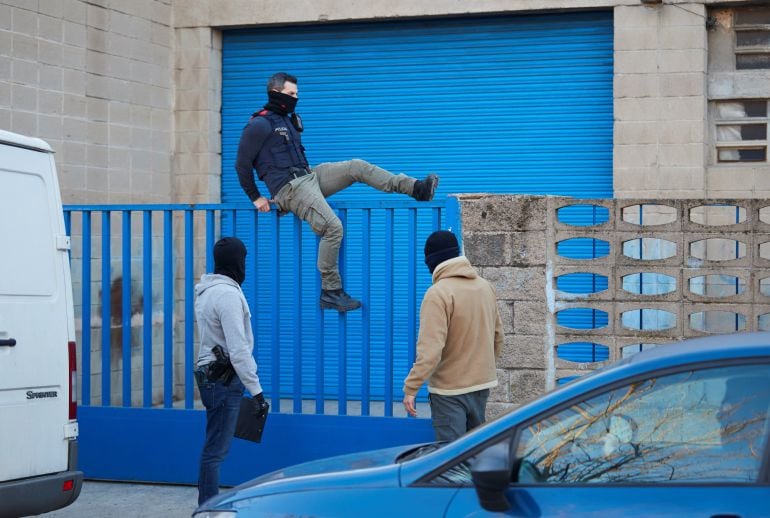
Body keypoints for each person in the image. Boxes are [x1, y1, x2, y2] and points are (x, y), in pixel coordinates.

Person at [235, 72, 439, 312]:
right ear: (275, 93)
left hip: (308, 176)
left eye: (297, 94)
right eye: (291, 94)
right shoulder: (258, 124)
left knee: (356, 167)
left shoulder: (287, 121)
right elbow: (242, 163)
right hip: (289, 188)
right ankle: (330, 291)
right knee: (333, 228)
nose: (295, 98)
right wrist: (256, 197)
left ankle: (416, 189)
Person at [402, 230, 503, 442]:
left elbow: (430, 352)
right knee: (476, 451)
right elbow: (497, 337)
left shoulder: (437, 294)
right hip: (481, 386)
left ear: (432, 262)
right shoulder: (485, 287)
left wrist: (411, 387)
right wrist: (482, 369)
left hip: (449, 392)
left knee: (451, 458)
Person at [194, 237, 269, 505]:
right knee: (216, 450)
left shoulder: (208, 290)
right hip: (223, 381)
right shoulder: (226, 295)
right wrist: (257, 392)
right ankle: (209, 508)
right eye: (243, 259)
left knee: (213, 445)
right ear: (234, 261)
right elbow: (238, 349)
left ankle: (206, 503)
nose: (245, 264)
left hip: (211, 376)